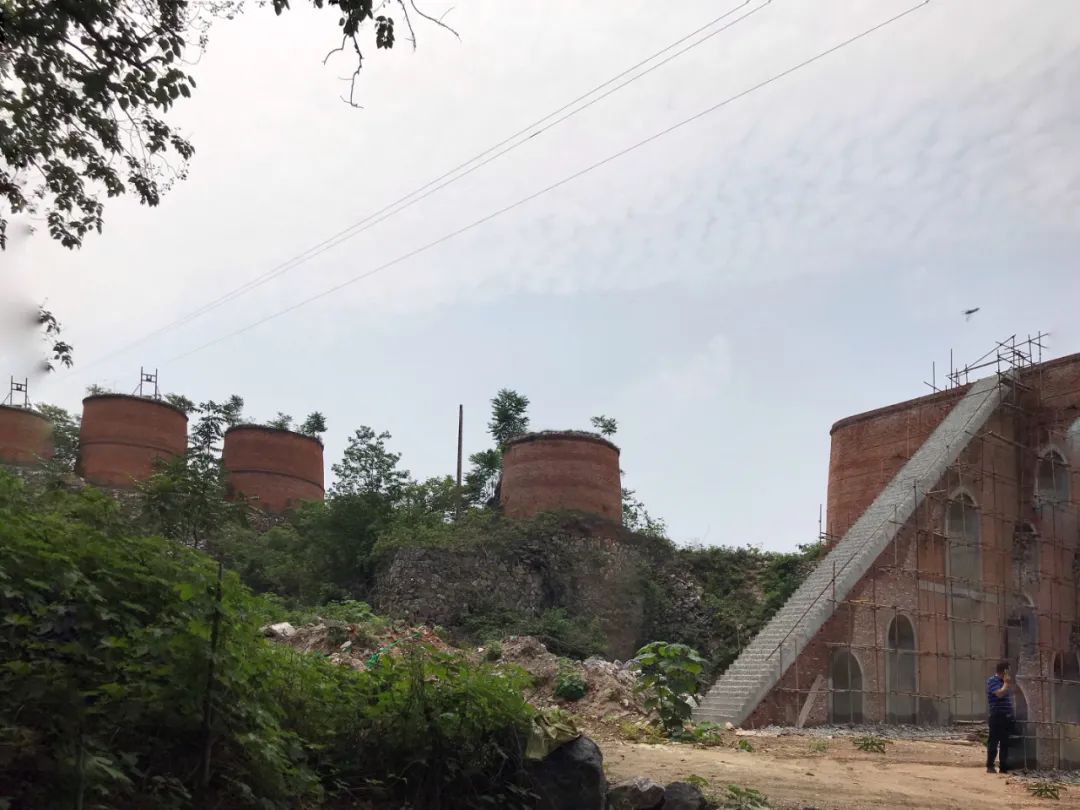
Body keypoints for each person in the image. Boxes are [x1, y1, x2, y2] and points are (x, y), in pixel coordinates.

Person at [986, 661, 1013, 774]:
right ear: (1005, 671)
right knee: (994, 741)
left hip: (1006, 716)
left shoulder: (1003, 682)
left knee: (1005, 742)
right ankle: (990, 766)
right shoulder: (993, 681)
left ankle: (1003, 766)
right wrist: (1006, 684)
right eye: (1009, 671)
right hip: (997, 716)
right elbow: (999, 694)